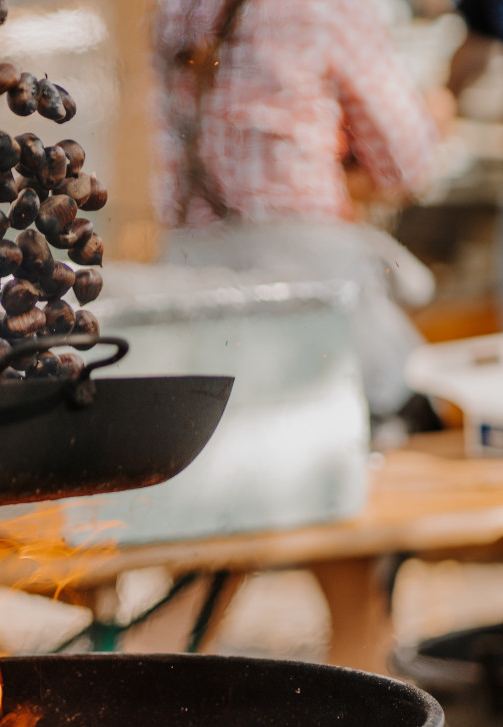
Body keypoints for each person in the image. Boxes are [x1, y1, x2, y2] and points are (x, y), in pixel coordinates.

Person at [149, 0, 442, 425]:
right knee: (406, 409)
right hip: (310, 283)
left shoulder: (173, 9)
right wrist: (438, 111)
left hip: (190, 276)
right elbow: (408, 164)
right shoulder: (328, 6)